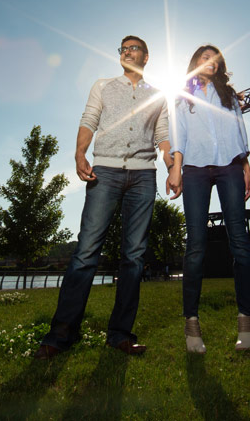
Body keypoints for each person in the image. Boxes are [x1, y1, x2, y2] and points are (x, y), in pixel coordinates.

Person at [35, 35, 172, 359]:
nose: (126, 52)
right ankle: (61, 335)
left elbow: (163, 135)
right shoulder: (103, 85)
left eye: (133, 48)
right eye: (122, 49)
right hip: (105, 172)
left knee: (134, 257)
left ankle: (120, 334)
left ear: (146, 56)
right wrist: (80, 153)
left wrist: (172, 166)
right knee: (85, 252)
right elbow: (89, 120)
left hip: (143, 175)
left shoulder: (159, 95)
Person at [166, 44, 250, 353]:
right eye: (205, 58)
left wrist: (246, 167)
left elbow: (240, 132)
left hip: (230, 166)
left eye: (216, 60)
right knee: (196, 245)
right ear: (194, 63)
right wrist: (175, 170)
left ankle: (246, 320)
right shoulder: (182, 96)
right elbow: (178, 136)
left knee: (240, 242)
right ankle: (192, 322)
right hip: (194, 169)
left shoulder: (230, 96)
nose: (211, 63)